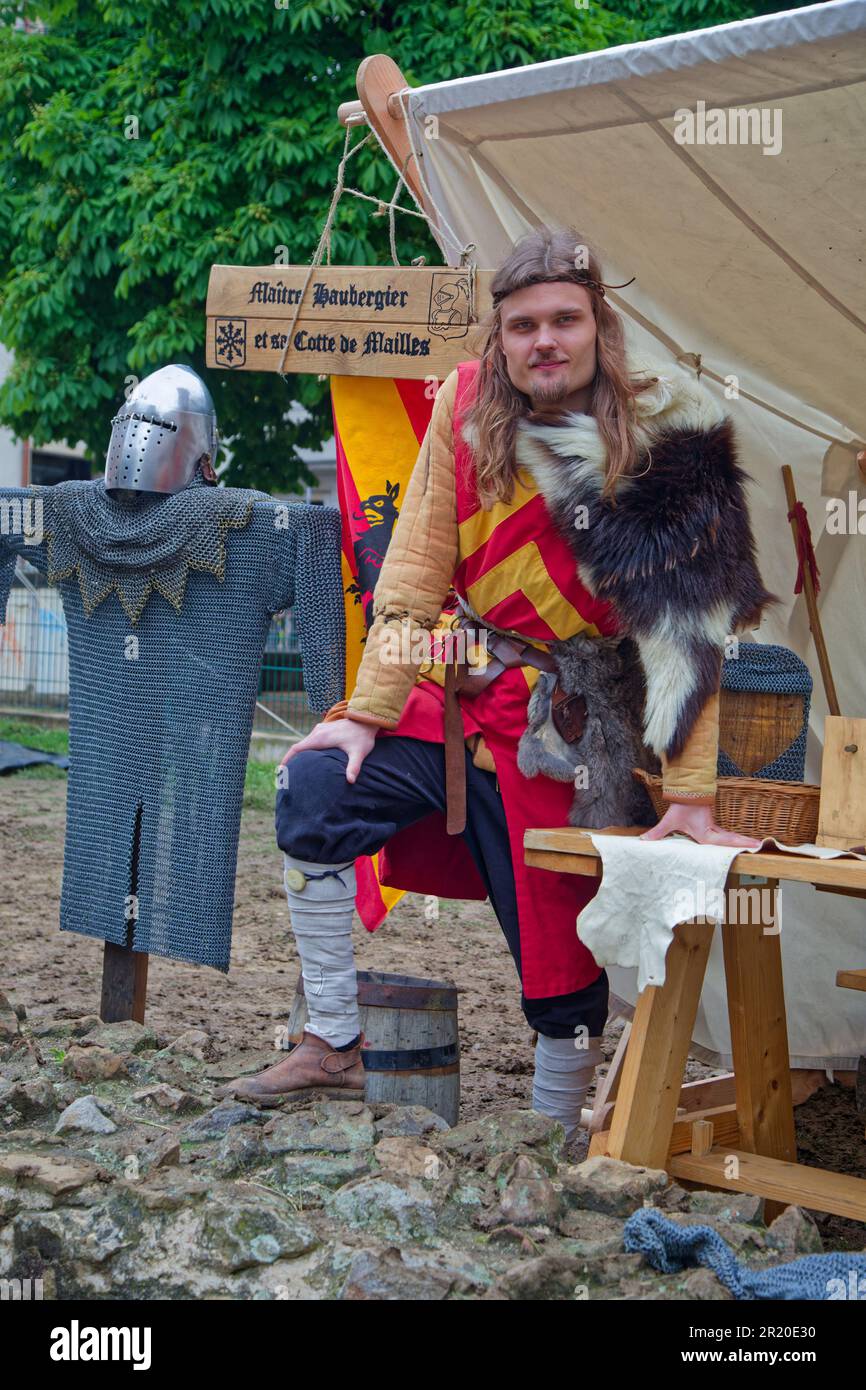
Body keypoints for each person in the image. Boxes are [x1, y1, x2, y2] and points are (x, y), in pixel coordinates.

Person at [217, 227, 772, 1139]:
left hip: (578, 717)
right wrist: (365, 714)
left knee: (555, 946)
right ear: (499, 337)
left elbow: (691, 632)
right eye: (522, 325)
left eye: (565, 320)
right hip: (461, 689)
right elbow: (415, 568)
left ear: (600, 328)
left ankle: (552, 1131)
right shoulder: (467, 405)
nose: (543, 340)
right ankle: (334, 1037)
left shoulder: (665, 431)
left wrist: (694, 793)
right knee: (313, 786)